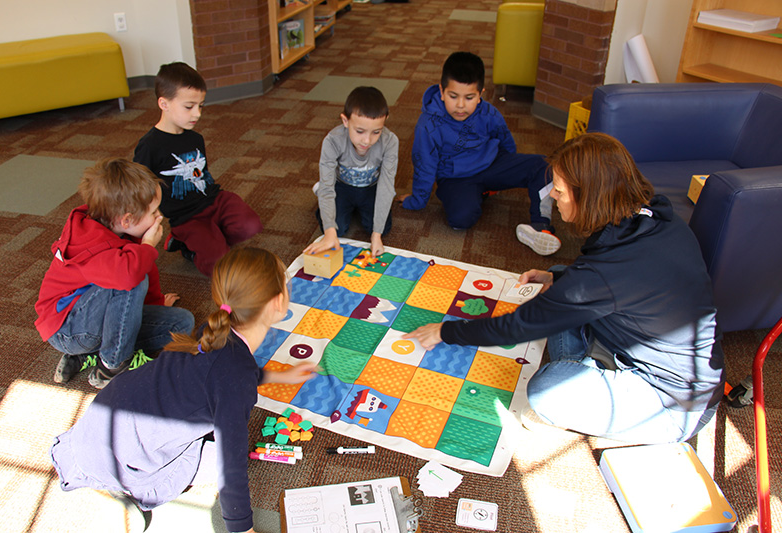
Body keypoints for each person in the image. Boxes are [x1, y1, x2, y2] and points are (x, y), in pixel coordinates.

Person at [404, 132, 725, 444]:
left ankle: (583, 371)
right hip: (659, 351)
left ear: (588, 196)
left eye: (558, 190)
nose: (551, 196)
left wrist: (445, 332)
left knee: (546, 390)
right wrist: (561, 280)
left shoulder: (600, 275)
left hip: (673, 406)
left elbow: (517, 326)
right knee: (560, 276)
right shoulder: (657, 215)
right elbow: (623, 280)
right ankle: (588, 362)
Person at [50, 247, 318, 533]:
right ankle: (117, 491)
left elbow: (223, 376)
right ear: (278, 303)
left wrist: (281, 375)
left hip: (102, 420)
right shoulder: (235, 377)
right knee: (216, 460)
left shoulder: (213, 329)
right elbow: (231, 466)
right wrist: (242, 528)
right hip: (126, 456)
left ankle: (110, 479)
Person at [34, 158, 195, 389]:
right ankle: (112, 364)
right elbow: (132, 278)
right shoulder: (91, 243)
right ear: (127, 220)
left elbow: (146, 272)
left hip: (99, 318)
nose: (160, 216)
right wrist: (148, 247)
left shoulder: (124, 233)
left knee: (182, 322)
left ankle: (93, 352)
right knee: (129, 279)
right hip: (67, 328)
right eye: (153, 211)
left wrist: (158, 303)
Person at [397, 51, 560, 256]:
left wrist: (508, 172)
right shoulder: (427, 125)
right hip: (455, 178)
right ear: (441, 91)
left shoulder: (489, 111)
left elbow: (504, 138)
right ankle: (481, 192)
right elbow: (424, 165)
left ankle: (540, 226)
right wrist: (416, 200)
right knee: (460, 220)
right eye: (453, 96)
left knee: (545, 166)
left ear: (480, 94)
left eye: (470, 97)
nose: (460, 105)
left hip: (492, 164)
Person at [134, 61, 263, 276]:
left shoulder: (195, 138)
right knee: (219, 266)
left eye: (200, 106)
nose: (198, 114)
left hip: (214, 199)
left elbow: (202, 176)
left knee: (251, 225)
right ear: (164, 104)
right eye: (189, 107)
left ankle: (210, 237)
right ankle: (187, 244)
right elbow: (138, 189)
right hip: (186, 217)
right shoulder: (149, 146)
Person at [305, 86, 399, 258]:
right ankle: (324, 201)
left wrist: (376, 235)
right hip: (342, 186)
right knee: (337, 228)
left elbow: (386, 187)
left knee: (382, 228)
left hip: (372, 187)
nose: (367, 140)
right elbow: (328, 186)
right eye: (360, 131)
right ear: (345, 121)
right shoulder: (333, 140)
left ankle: (359, 211)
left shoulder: (390, 141)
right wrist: (329, 231)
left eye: (376, 132)